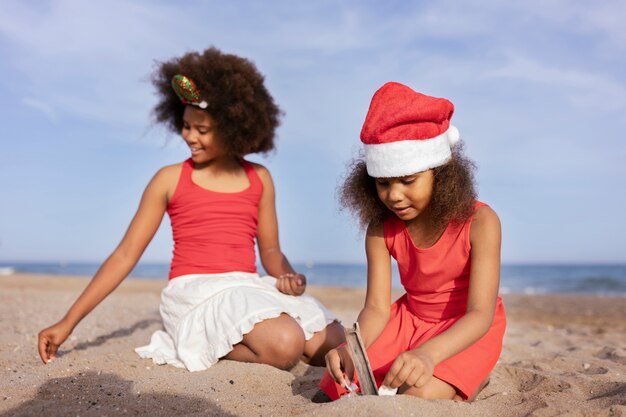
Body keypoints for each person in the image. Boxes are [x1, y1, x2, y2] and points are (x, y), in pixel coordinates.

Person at [38, 47, 344, 372]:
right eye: (185, 126)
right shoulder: (169, 180)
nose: (189, 137)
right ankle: (199, 341)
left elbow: (269, 249)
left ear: (233, 128)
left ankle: (241, 338)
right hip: (196, 293)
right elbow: (124, 255)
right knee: (287, 344)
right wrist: (68, 322)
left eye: (202, 130)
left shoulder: (260, 178)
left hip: (247, 287)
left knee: (334, 340)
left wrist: (285, 276)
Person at [320, 82, 506, 401]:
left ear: (441, 173)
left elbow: (480, 314)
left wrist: (429, 353)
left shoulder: (481, 222)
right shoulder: (380, 228)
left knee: (417, 393)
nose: (394, 195)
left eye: (408, 181)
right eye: (382, 183)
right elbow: (377, 308)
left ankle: (470, 374)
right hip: (407, 321)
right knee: (338, 382)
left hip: (465, 329)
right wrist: (350, 348)